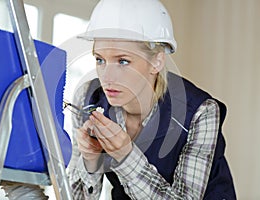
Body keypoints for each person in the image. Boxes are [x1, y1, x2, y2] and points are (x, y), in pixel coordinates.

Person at [66, 0, 237, 199]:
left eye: (123, 61)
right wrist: (90, 161)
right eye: (100, 60)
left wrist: (126, 156)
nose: (107, 76)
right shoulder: (88, 99)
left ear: (156, 61)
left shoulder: (201, 112)